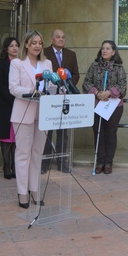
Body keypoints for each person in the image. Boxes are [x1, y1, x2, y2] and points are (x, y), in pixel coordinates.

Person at [9, 30, 51, 208]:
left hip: (43, 114)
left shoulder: (47, 63)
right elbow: (13, 87)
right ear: (26, 44)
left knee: (37, 154)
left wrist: (58, 89)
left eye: (40, 43)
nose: (37, 46)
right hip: (23, 113)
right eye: (33, 42)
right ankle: (22, 192)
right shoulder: (17, 63)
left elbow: (53, 85)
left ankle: (34, 189)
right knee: (23, 154)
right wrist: (29, 93)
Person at [83, 40, 127, 175]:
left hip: (114, 106)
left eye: (108, 49)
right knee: (98, 134)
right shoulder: (94, 66)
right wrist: (97, 93)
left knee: (110, 134)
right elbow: (86, 82)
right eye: (103, 48)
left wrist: (109, 92)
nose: (105, 51)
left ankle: (108, 162)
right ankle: (100, 161)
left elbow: (123, 85)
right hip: (97, 104)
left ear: (113, 52)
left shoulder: (119, 67)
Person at [42, 29, 79, 173]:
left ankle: (61, 162)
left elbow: (75, 74)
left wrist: (67, 86)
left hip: (64, 97)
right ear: (51, 39)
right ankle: (45, 163)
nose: (61, 39)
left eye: (63, 37)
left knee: (63, 131)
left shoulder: (71, 54)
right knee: (47, 132)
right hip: (49, 98)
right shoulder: (44, 53)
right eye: (57, 37)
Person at [0, 37, 19, 180]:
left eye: (16, 46)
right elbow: (0, 84)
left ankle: (15, 166)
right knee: (6, 136)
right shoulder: (0, 63)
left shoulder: (21, 64)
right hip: (4, 104)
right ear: (6, 49)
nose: (14, 48)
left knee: (16, 136)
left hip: (19, 103)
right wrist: (12, 99)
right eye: (11, 46)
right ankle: (6, 166)